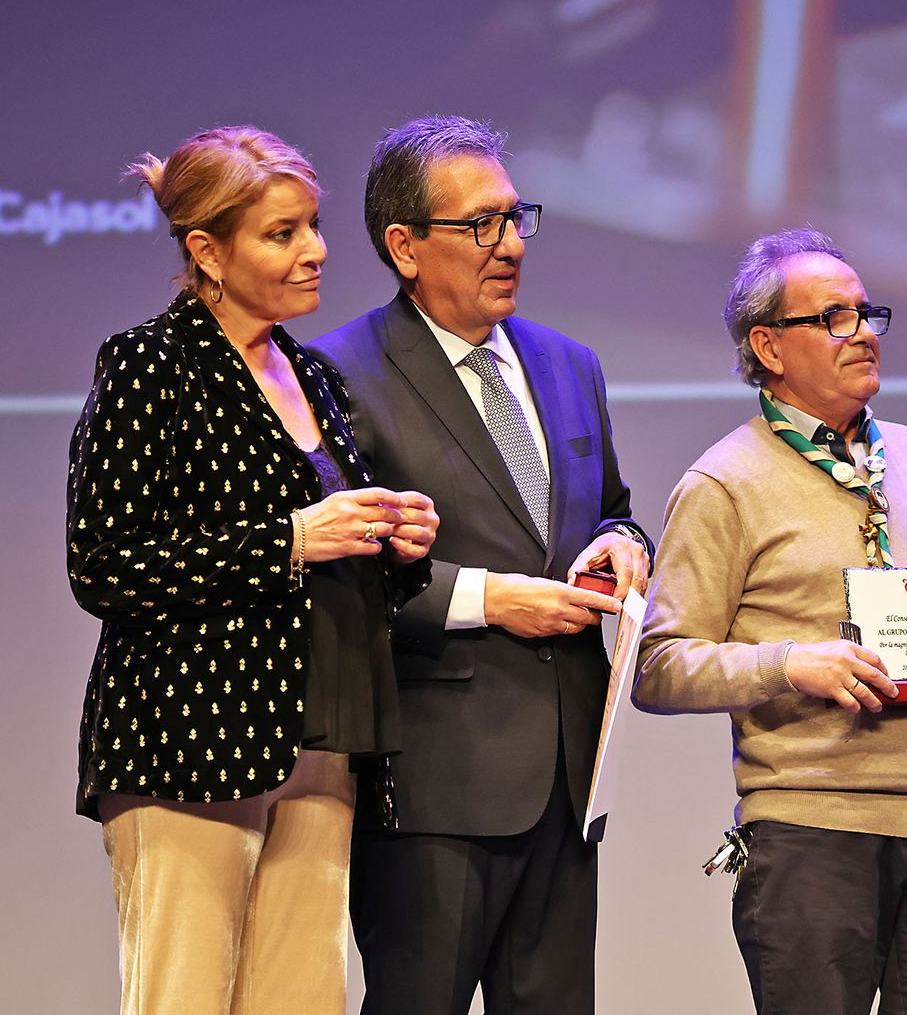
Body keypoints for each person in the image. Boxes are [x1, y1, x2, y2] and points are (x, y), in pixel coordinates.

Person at [632, 227, 907, 1014]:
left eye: (868, 313)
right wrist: (791, 663)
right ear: (768, 344)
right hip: (810, 825)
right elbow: (658, 663)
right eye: (833, 317)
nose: (863, 332)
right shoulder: (722, 481)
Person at [66, 125, 439, 1015]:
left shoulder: (315, 376)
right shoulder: (149, 364)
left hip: (322, 739)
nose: (314, 251)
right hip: (191, 745)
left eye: (313, 226)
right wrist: (287, 540)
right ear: (207, 251)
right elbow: (103, 563)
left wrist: (395, 544)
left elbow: (332, 554)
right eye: (282, 233)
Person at [308, 115, 652, 1015]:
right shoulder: (338, 373)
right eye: (480, 225)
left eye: (516, 217)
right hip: (434, 779)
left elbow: (610, 501)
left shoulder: (570, 364)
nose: (509, 245)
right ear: (405, 246)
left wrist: (627, 544)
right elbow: (340, 572)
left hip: (569, 775)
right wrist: (489, 599)